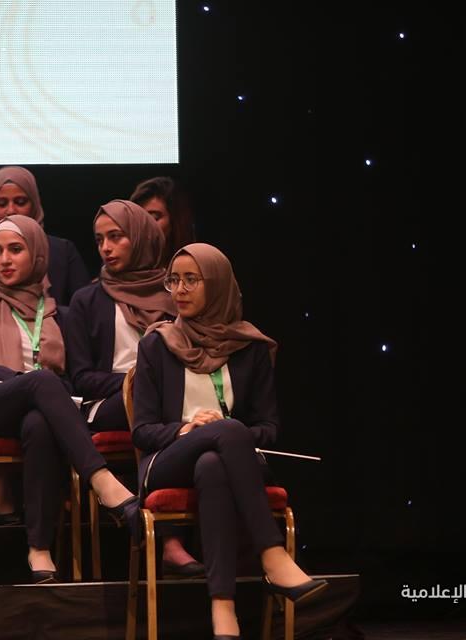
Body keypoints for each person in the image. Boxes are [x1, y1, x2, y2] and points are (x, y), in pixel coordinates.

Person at [0, 215, 139, 583]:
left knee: (39, 423)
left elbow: (76, 377)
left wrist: (38, 388)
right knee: (42, 382)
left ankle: (38, 547)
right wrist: (25, 382)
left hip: (40, 409)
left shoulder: (62, 316)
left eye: (15, 250)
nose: (4, 259)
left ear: (38, 255)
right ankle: (104, 481)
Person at [132, 243, 327, 638]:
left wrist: (224, 431)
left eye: (192, 280)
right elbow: (143, 430)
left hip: (234, 462)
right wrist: (189, 428)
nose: (180, 290)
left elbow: (269, 428)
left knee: (214, 461)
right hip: (169, 459)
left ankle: (223, 608)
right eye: (174, 280)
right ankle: (272, 554)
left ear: (218, 284)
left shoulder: (250, 347)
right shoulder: (157, 344)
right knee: (225, 432)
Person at [65, 199, 203, 576]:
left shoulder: (174, 296)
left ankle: (181, 537)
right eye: (99, 240)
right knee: (160, 413)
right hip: (109, 403)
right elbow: (81, 377)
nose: (106, 248)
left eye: (116, 237)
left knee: (183, 418)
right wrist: (137, 381)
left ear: (141, 238)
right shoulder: (87, 300)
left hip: (169, 403)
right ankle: (169, 542)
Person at [0, 166, 89, 316]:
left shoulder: (62, 251)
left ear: (34, 205)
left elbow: (81, 314)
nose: (11, 210)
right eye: (2, 203)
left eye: (20, 202)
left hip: (53, 329)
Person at [129, 176, 196, 267]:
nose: (143, 226)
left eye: (154, 218)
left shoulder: (195, 265)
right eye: (138, 219)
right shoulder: (123, 266)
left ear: (175, 221)